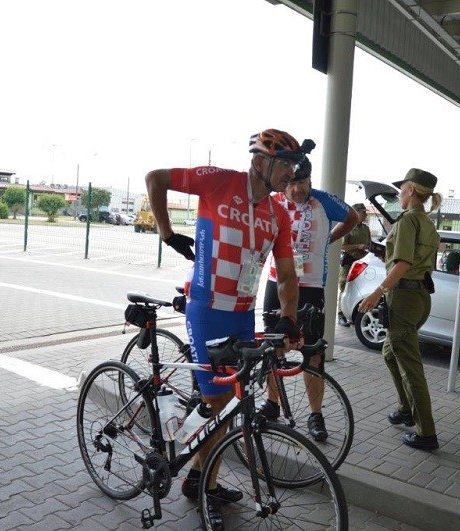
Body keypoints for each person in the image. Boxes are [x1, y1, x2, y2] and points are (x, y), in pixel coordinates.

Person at [145, 128, 306, 531]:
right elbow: (156, 178)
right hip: (206, 308)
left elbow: (286, 275)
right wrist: (167, 233)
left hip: (241, 314)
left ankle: (200, 476)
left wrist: (289, 318)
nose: (291, 173)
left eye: (292, 166)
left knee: (231, 404)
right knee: (218, 403)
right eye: (285, 164)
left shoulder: (279, 213)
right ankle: (204, 489)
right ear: (260, 161)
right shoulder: (219, 180)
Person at [260, 149, 360, 441]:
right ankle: (272, 403)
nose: (294, 189)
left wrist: (330, 239)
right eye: (289, 182)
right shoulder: (274, 200)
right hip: (276, 283)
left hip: (312, 286)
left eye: (300, 182)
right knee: (273, 348)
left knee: (312, 353)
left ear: (309, 180)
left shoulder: (323, 201)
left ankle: (316, 415)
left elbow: (352, 217)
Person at [357, 168, 442, 451]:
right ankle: (406, 409)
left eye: (402, 189)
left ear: (412, 191)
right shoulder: (425, 221)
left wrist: (376, 292)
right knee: (390, 351)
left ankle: (426, 432)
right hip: (419, 297)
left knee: (410, 368)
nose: (399, 194)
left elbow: (403, 264)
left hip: (404, 297)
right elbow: (408, 258)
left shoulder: (407, 221)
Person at [337, 202, 371, 326]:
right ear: (356, 212)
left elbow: (369, 244)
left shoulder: (366, 228)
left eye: (365, 212)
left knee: (359, 288)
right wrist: (358, 246)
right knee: (344, 287)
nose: (365, 214)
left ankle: (352, 313)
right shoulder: (348, 226)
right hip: (349, 261)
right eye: (363, 212)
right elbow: (342, 246)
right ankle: (341, 315)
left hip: (361, 263)